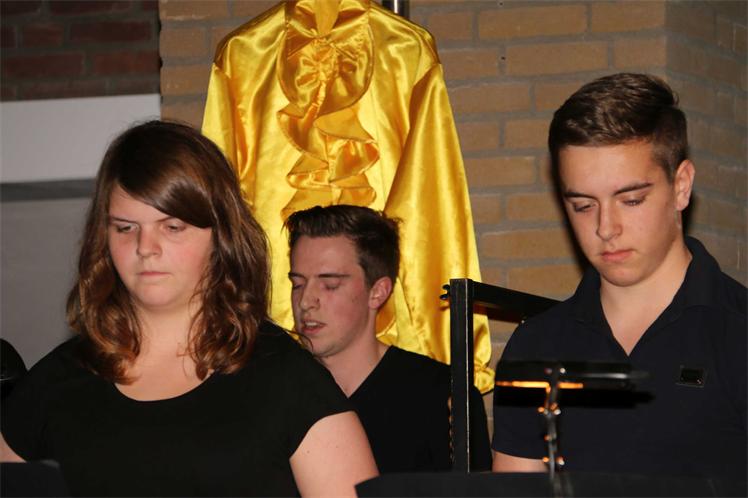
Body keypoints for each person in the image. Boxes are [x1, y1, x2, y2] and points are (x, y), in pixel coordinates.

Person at [0, 121, 378, 497]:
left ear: (221, 236)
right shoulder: (54, 383)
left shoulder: (289, 382)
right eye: (126, 228)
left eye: (172, 227)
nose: (146, 248)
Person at [492, 73, 747, 483]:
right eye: (583, 205)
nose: (606, 227)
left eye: (631, 200)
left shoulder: (737, 333)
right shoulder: (536, 345)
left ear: (681, 186)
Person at [285, 205, 492, 473]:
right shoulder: (274, 389)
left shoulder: (443, 396)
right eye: (298, 284)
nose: (305, 301)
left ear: (378, 292)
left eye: (330, 285)